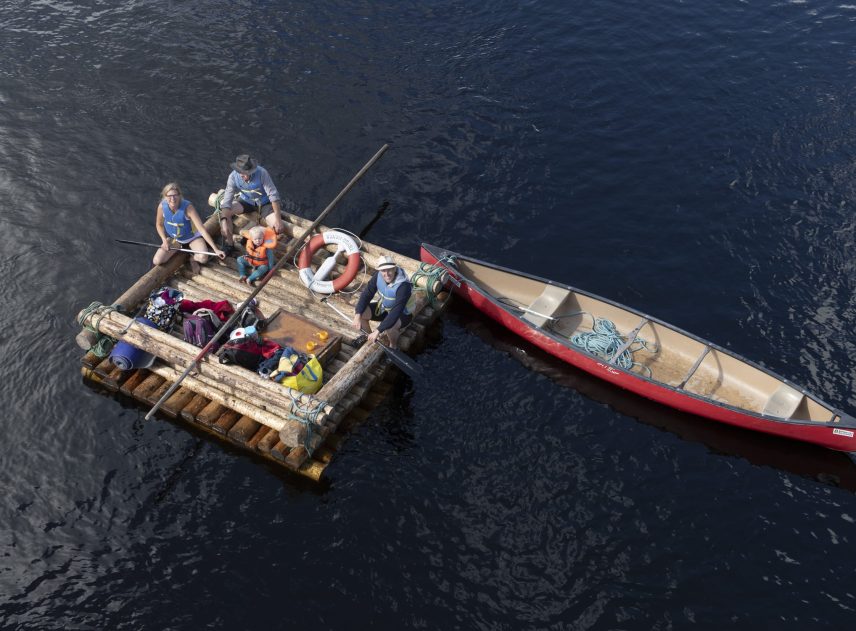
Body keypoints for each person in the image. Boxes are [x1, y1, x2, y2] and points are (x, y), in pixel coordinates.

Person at [218, 154, 284, 254]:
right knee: (226, 215)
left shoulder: (262, 173)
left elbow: (273, 195)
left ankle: (256, 238)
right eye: (241, 174)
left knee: (277, 227)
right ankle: (230, 244)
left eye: (246, 174)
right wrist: (223, 221)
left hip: (264, 203)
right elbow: (227, 199)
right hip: (246, 201)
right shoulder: (232, 177)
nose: (244, 177)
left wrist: (278, 220)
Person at [153, 182, 225, 273]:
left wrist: (216, 249)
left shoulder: (188, 208)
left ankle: (193, 259)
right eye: (169, 196)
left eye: (175, 195)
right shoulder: (162, 207)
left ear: (179, 195)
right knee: (157, 260)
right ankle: (186, 252)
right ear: (165, 197)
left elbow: (202, 229)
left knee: (203, 258)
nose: (172, 199)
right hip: (175, 240)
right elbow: (159, 224)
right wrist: (164, 240)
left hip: (193, 238)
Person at [352, 255, 415, 349]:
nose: (387, 274)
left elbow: (396, 311)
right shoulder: (378, 276)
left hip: (402, 314)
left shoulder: (403, 286)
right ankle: (369, 336)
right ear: (379, 271)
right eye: (383, 270)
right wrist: (357, 315)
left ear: (394, 269)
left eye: (389, 270)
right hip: (385, 308)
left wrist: (378, 330)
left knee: (390, 327)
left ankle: (393, 346)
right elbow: (366, 294)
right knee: (360, 312)